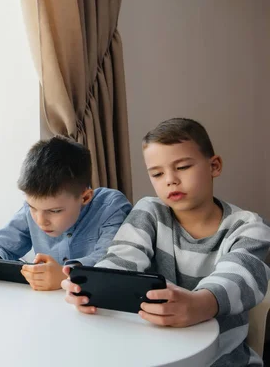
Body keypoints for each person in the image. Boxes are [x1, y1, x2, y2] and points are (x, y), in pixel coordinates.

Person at [62, 118, 270, 366]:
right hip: (154, 353)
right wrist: (94, 286)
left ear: (214, 166)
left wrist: (199, 304)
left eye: (182, 167)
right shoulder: (150, 211)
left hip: (222, 359)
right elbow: (122, 258)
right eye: (157, 173)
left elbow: (240, 277)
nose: (170, 179)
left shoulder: (249, 226)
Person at [0, 136, 132, 290]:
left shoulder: (111, 206)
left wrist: (66, 275)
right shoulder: (34, 210)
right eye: (32, 207)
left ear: (85, 197)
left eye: (55, 211)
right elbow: (2, 244)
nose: (40, 221)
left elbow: (111, 260)